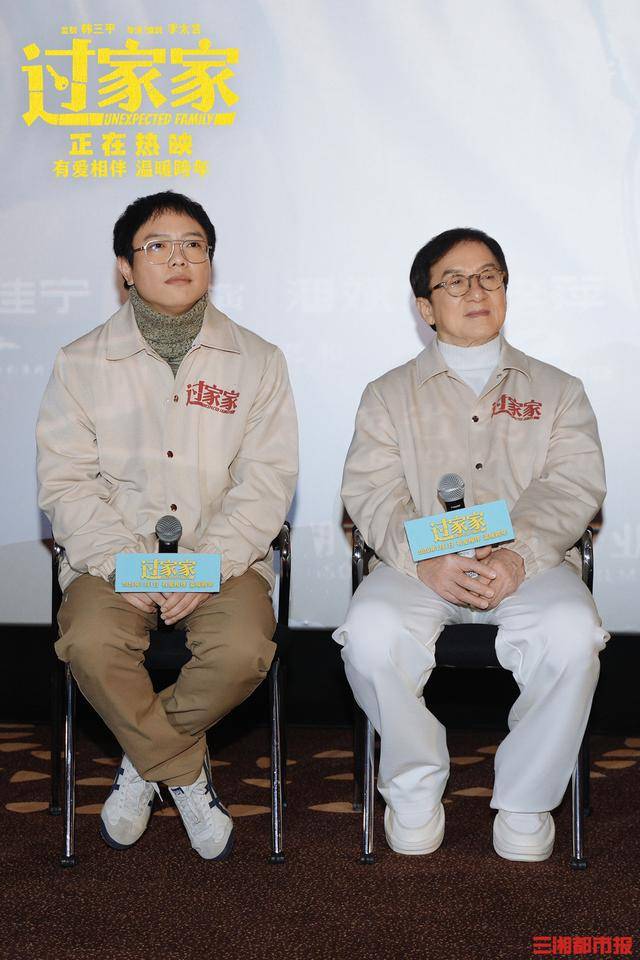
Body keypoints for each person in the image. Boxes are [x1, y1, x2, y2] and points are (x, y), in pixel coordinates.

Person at [37, 191, 298, 861]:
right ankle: (182, 771)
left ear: (211, 260)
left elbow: (267, 480)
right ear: (125, 267)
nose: (179, 257)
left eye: (193, 245)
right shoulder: (80, 362)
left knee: (244, 649)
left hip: (223, 560)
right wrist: (122, 565)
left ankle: (143, 759)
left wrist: (208, 568)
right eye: (158, 245)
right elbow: (66, 482)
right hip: (112, 561)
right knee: (90, 641)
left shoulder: (258, 360)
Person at [333, 228, 607, 861]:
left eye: (489, 277)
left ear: (506, 289)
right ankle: (413, 784)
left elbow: (573, 485)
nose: (475, 291)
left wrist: (517, 554)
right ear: (425, 307)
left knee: (572, 632)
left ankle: (526, 800)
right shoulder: (387, 394)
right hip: (418, 566)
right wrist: (424, 558)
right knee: (369, 633)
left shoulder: (559, 390)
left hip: (527, 565)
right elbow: (371, 491)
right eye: (454, 281)